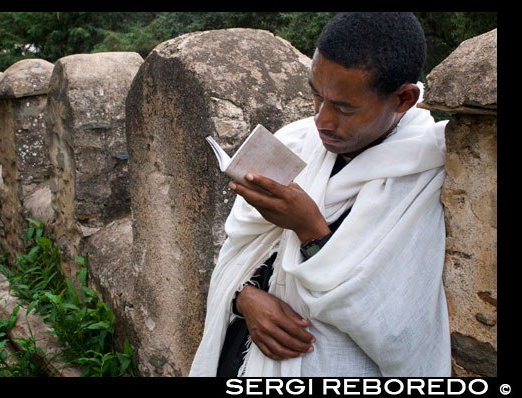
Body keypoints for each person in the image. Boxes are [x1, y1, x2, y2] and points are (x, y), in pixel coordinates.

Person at [190, 12, 451, 377]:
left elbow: (396, 328)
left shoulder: (423, 175)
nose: (322, 120)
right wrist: (242, 298)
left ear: (403, 98)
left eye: (345, 108)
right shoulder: (297, 142)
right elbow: (237, 254)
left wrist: (309, 228)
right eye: (316, 95)